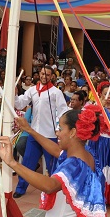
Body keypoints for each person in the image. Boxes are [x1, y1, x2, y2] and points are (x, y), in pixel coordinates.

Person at [0, 108, 106, 217]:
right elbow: (56, 150)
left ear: (73, 132)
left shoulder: (74, 165)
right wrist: (29, 129)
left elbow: (50, 186)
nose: (57, 132)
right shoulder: (86, 154)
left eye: (60, 128)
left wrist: (12, 162)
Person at [13, 65, 69, 198]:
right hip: (34, 134)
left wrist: (58, 128)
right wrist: (15, 93)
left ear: (52, 76)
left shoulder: (56, 92)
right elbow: (20, 104)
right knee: (27, 162)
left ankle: (58, 191)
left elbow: (62, 111)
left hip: (50, 135)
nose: (44, 77)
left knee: (52, 165)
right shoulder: (32, 90)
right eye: (43, 74)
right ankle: (20, 188)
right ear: (39, 74)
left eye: (48, 75)